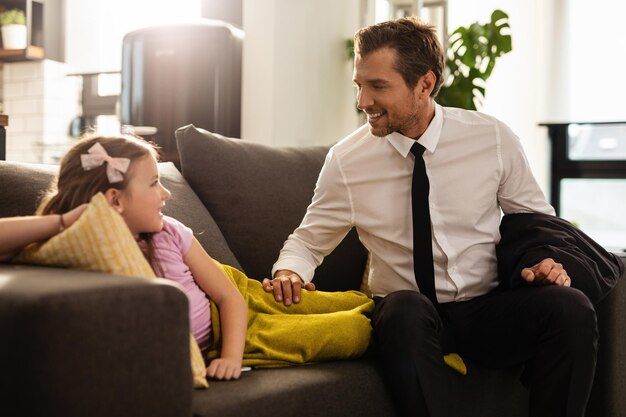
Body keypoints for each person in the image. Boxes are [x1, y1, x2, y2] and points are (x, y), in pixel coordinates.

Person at [263, 17, 598, 417]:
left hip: (487, 307)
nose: (362, 101)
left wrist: (546, 260)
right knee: (404, 310)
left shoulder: (492, 138)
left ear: (425, 84)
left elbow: (537, 220)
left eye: (378, 86)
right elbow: (308, 241)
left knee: (570, 309)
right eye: (359, 85)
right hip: (409, 318)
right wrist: (290, 272)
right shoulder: (347, 161)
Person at [0, 134, 248, 381]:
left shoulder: (170, 232)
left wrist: (230, 358)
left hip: (226, 331)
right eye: (154, 183)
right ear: (115, 200)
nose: (166, 194)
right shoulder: (75, 246)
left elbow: (230, 297)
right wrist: (62, 221)